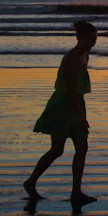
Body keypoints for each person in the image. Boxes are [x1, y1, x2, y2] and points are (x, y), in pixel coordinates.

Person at [24, 21, 97, 203]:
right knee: (57, 149)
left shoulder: (85, 55)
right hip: (64, 105)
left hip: (77, 103)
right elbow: (70, 90)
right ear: (80, 37)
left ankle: (76, 192)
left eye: (95, 38)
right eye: (90, 38)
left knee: (82, 148)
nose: (93, 42)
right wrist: (80, 116)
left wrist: (81, 112)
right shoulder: (70, 57)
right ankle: (31, 181)